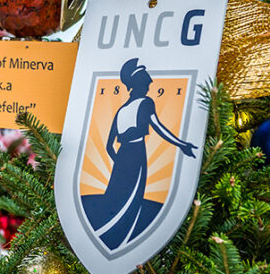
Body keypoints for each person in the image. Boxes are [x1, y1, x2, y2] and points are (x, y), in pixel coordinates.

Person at [84, 58, 196, 251]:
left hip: (122, 155)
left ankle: (109, 233)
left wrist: (119, 160)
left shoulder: (120, 110)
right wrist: (182, 144)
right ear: (138, 83)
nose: (150, 83)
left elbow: (109, 145)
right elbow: (159, 128)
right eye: (147, 80)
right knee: (132, 196)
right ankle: (123, 235)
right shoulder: (146, 102)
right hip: (136, 152)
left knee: (117, 194)